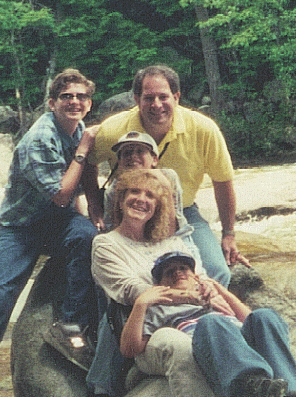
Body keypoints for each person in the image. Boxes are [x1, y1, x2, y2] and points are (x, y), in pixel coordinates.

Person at [0, 69, 99, 396]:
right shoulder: (41, 138)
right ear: (52, 102)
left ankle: (69, 325)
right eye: (67, 96)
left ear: (89, 103)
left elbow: (80, 191)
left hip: (58, 223)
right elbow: (62, 194)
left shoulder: (78, 129)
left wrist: (93, 224)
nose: (74, 101)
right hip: (22, 229)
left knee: (88, 238)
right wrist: (83, 150)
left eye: (81, 96)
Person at [87, 64, 249, 288]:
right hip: (128, 214)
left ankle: (199, 319)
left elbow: (222, 181)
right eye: (148, 98)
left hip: (183, 212)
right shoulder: (113, 130)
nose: (156, 105)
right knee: (120, 274)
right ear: (136, 99)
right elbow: (89, 163)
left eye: (163, 97)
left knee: (215, 272)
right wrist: (94, 205)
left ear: (177, 97)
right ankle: (116, 322)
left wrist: (228, 234)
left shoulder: (203, 129)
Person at [91, 169, 226, 397]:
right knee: (182, 348)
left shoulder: (172, 241)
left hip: (195, 319)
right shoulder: (105, 244)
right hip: (152, 333)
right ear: (121, 201)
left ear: (156, 208)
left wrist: (208, 291)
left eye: (150, 196)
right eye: (134, 192)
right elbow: (134, 291)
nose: (141, 199)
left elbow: (200, 278)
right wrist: (188, 296)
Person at [120, 251, 296, 397]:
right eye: (169, 272)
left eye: (183, 268)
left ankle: (291, 392)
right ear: (161, 284)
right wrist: (141, 303)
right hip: (211, 353)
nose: (177, 272)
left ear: (196, 277)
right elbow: (130, 349)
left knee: (265, 316)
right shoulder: (160, 307)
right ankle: (249, 385)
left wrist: (220, 290)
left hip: (243, 345)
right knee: (212, 321)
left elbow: (251, 321)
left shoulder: (214, 297)